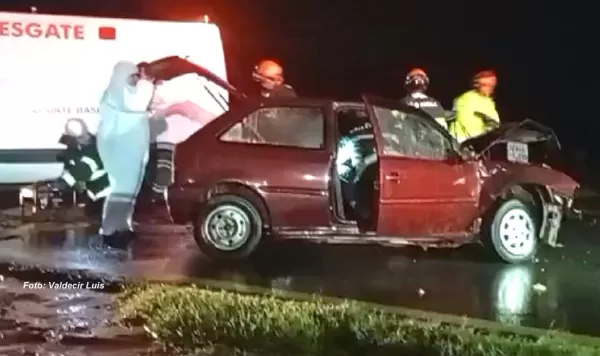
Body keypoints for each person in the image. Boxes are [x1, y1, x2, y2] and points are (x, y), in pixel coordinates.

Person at [96, 61, 155, 249]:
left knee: (130, 192)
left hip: (132, 151)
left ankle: (122, 226)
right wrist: (147, 83)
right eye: (133, 76)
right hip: (123, 152)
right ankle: (110, 230)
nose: (135, 79)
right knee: (121, 192)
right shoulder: (117, 92)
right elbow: (135, 106)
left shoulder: (123, 93)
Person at [450, 70, 500, 143]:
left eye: (492, 86)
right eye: (487, 86)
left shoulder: (463, 97)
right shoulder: (485, 102)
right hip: (471, 143)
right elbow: (495, 125)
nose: (490, 89)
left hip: (453, 140)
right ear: (479, 85)